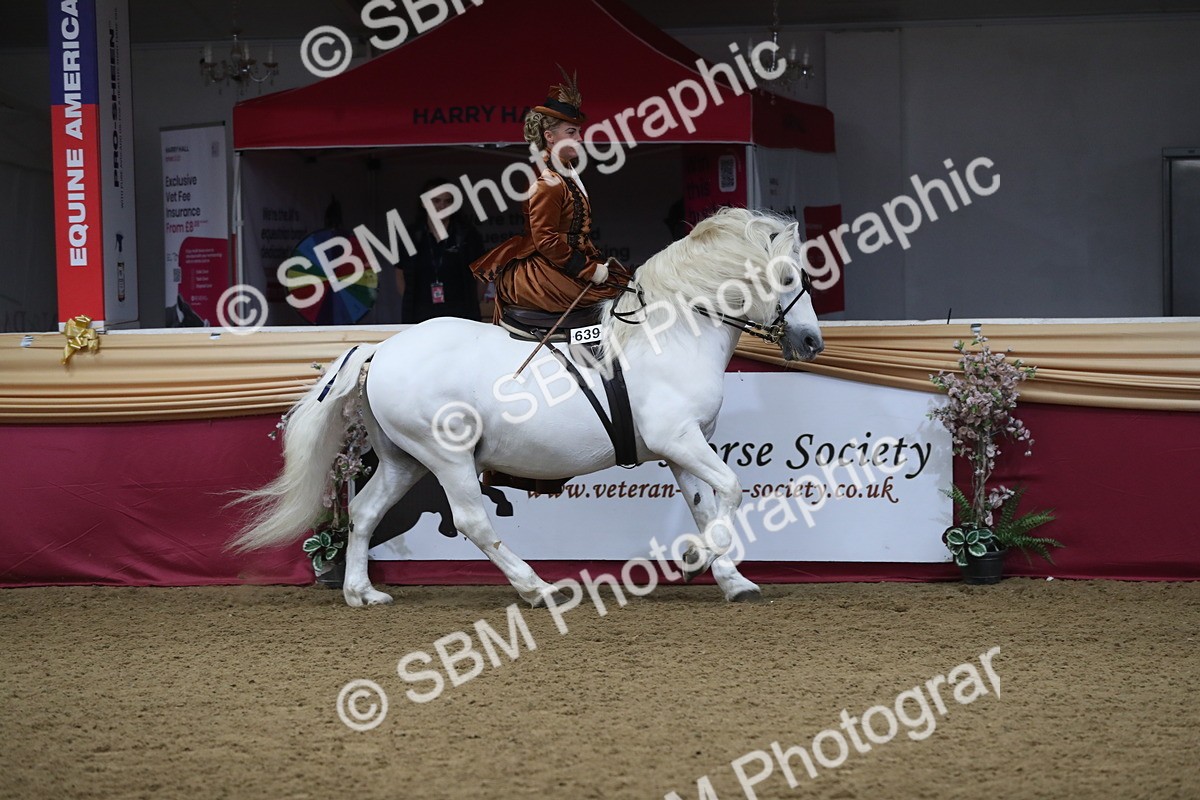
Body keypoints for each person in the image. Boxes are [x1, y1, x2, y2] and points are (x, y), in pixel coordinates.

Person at [470, 71, 630, 322]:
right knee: (618, 299)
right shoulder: (547, 181)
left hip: (564, 263)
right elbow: (545, 240)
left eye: (579, 131)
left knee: (625, 287)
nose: (580, 138)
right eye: (571, 132)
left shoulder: (564, 171)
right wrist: (589, 270)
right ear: (549, 136)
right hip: (545, 271)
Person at [396, 179, 485, 323]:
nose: (442, 206)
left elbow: (482, 275)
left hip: (461, 315)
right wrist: (411, 303)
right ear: (424, 203)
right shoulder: (411, 235)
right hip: (420, 315)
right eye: (436, 201)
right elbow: (400, 275)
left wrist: (472, 303)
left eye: (447, 201)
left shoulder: (468, 235)